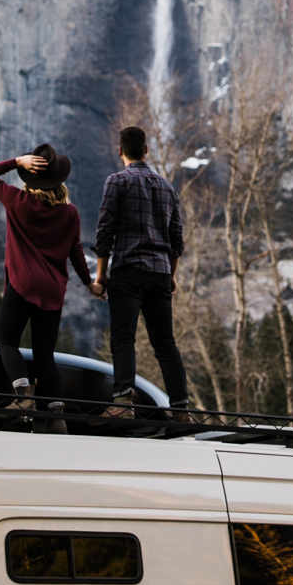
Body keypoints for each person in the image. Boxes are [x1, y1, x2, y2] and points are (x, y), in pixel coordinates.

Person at [0, 145, 93, 426]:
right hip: (53, 290)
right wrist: (89, 283)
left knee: (7, 342)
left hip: (23, 282)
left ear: (30, 177)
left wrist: (17, 161)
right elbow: (76, 251)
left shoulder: (18, 201)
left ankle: (22, 394)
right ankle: (55, 413)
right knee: (45, 354)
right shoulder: (71, 213)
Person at [92, 125, 191, 424]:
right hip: (160, 273)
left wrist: (100, 276)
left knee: (123, 338)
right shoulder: (166, 187)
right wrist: (171, 274)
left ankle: (123, 401)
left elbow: (105, 229)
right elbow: (177, 237)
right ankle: (181, 408)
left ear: (119, 150)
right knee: (165, 343)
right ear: (146, 150)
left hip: (128, 271)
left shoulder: (116, 182)